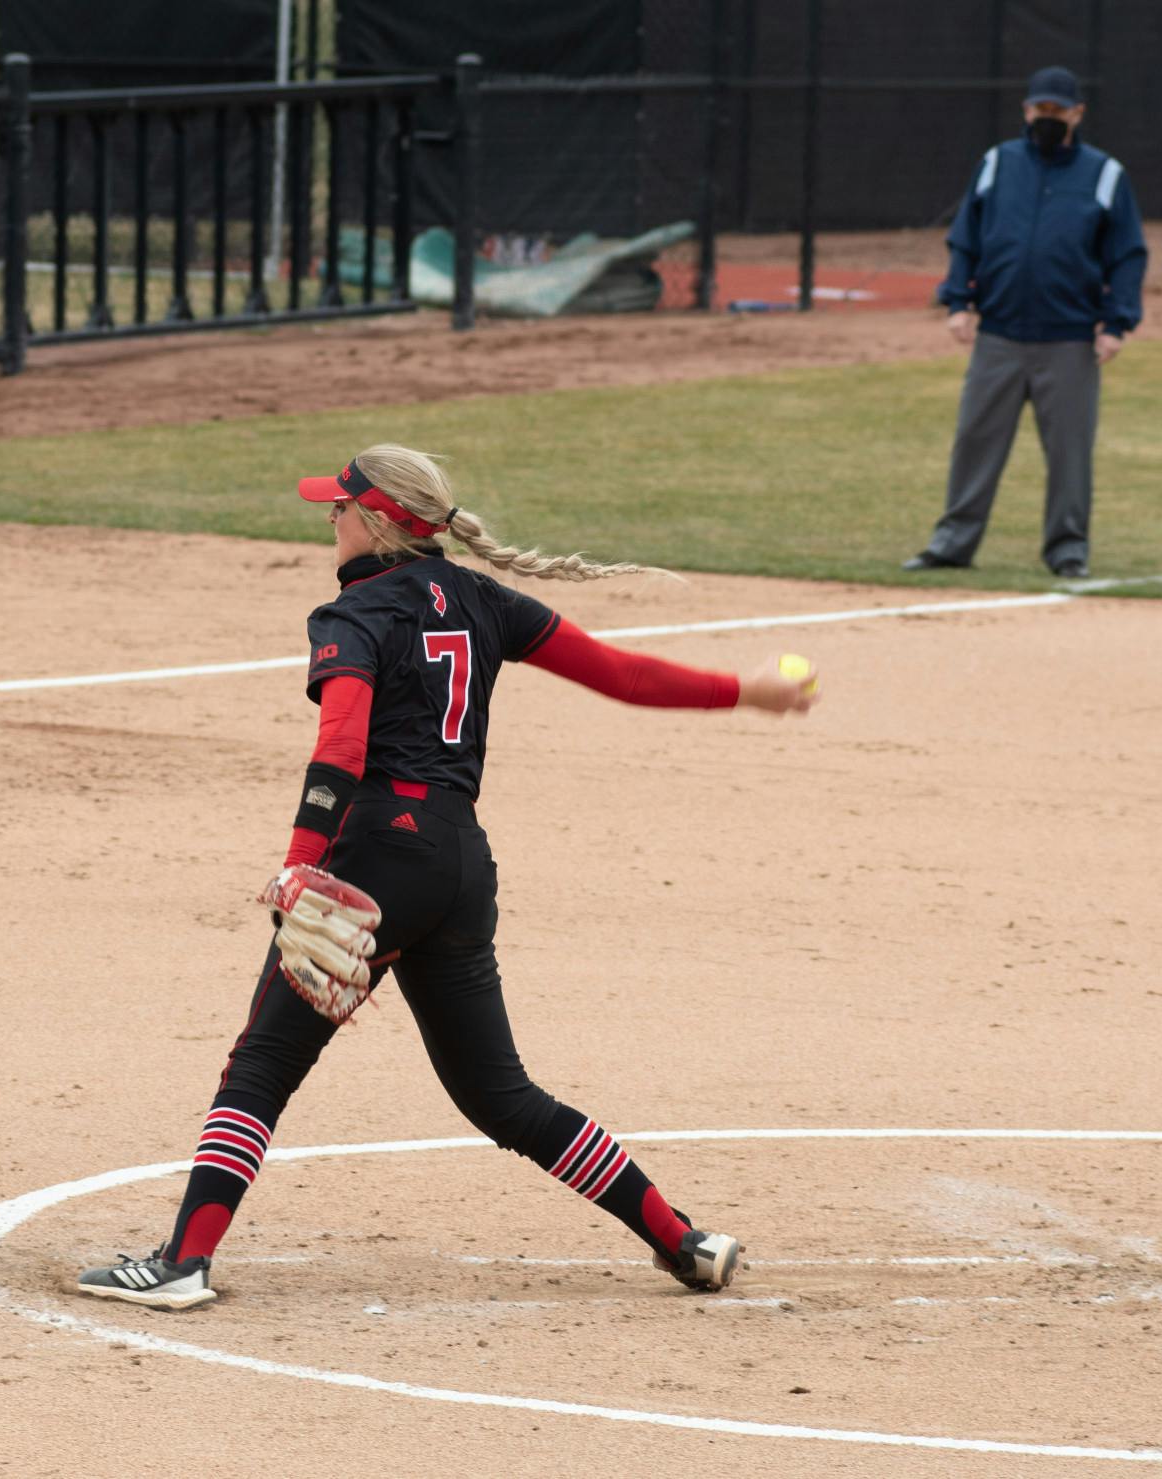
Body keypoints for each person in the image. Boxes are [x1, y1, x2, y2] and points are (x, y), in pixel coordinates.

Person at [77, 445, 818, 1311]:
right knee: (500, 1095)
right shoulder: (483, 599)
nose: (331, 517)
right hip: (460, 866)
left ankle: (182, 1263)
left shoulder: (351, 614)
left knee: (262, 1064)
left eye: (342, 506)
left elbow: (341, 746)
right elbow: (622, 674)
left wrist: (303, 856)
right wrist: (748, 691)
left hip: (378, 857)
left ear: (381, 520)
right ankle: (683, 1239)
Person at [905, 64, 1147, 581]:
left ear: (1078, 114)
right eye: (1041, 110)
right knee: (975, 440)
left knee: (1069, 452)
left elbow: (1127, 255)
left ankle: (1067, 550)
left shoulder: (1105, 174)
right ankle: (952, 544)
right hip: (998, 333)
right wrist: (957, 302)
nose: (1048, 118)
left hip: (1069, 337)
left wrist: (1116, 323)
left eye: (1058, 111)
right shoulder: (997, 163)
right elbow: (966, 237)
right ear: (1026, 110)